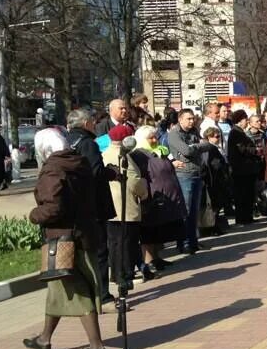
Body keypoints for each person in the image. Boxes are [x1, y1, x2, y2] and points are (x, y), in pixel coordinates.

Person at [23, 128, 107, 349]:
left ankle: (96, 347)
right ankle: (44, 338)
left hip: (65, 239)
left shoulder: (53, 169)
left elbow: (53, 209)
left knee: (75, 290)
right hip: (84, 234)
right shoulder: (78, 162)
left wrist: (33, 214)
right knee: (58, 288)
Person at [67, 109, 117, 303]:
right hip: (93, 203)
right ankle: (102, 293)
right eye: (92, 122)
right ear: (86, 123)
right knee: (100, 249)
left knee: (85, 249)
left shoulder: (67, 140)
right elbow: (95, 172)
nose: (94, 125)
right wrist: (111, 173)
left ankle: (87, 291)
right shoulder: (88, 143)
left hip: (75, 202)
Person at [102, 125, 149, 289]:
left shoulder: (104, 154)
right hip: (125, 204)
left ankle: (115, 273)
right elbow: (134, 181)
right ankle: (126, 272)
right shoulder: (124, 157)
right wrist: (143, 193)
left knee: (114, 242)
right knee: (127, 241)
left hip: (109, 205)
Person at [133, 125, 184, 273]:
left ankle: (156, 257)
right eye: (151, 138)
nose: (155, 140)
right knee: (148, 230)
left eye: (156, 137)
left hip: (165, 196)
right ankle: (149, 261)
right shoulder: (139, 154)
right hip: (151, 196)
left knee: (158, 229)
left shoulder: (160, 151)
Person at [167, 108, 215, 254]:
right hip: (184, 175)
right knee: (186, 210)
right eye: (188, 119)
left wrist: (195, 147)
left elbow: (207, 145)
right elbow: (186, 151)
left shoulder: (194, 131)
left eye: (193, 118)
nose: (191, 121)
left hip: (197, 172)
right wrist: (196, 148)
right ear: (180, 119)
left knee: (194, 210)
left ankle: (193, 241)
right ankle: (184, 242)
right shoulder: (175, 134)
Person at [227, 110, 259, 225]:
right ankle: (242, 218)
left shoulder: (239, 132)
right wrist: (255, 151)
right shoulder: (235, 133)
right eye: (246, 119)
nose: (247, 122)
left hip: (245, 170)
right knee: (242, 195)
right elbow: (242, 149)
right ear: (240, 120)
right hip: (241, 170)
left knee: (247, 194)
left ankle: (247, 216)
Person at [200, 127, 231, 235]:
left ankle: (213, 227)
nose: (218, 138)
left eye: (219, 136)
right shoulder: (209, 148)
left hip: (216, 180)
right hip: (213, 181)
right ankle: (211, 228)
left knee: (215, 205)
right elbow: (213, 165)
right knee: (213, 206)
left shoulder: (213, 147)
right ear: (209, 137)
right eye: (216, 136)